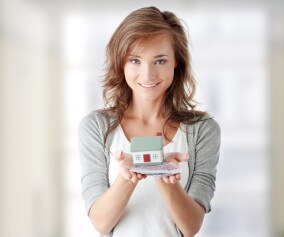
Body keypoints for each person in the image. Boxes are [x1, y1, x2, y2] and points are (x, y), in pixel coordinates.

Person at [78, 6, 221, 237]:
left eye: (160, 61)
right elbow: (101, 222)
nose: (148, 75)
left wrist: (165, 176)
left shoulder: (203, 129)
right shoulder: (95, 127)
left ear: (176, 61)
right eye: (135, 60)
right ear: (121, 62)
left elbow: (191, 227)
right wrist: (128, 176)